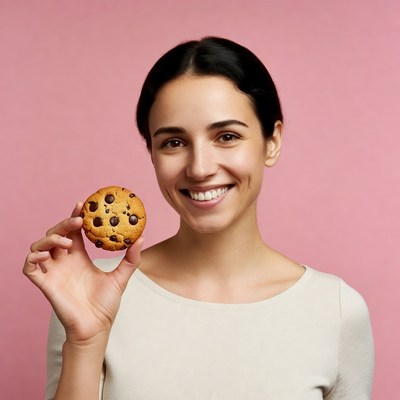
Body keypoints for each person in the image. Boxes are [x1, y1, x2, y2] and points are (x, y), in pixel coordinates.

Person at [24, 37, 374, 400]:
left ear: (273, 141)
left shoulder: (335, 310)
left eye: (226, 136)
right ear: (152, 153)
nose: (200, 168)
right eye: (173, 142)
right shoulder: (94, 293)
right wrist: (86, 340)